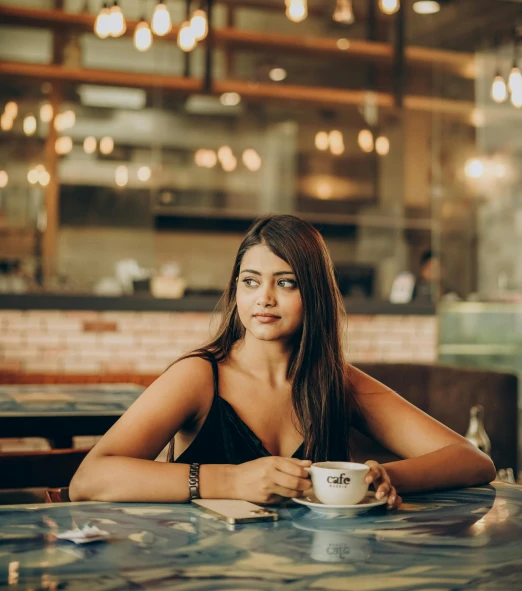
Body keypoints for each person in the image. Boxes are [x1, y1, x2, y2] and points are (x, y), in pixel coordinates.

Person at [70, 215, 495, 506]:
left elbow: (473, 460)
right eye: (250, 282)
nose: (264, 298)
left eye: (286, 282)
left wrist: (385, 478)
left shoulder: (338, 382)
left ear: (315, 294)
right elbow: (89, 480)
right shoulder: (199, 376)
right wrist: (232, 481)